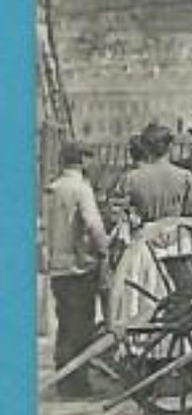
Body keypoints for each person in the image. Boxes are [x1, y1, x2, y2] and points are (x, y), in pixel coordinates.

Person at [44, 141, 110, 398]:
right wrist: (104, 249)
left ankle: (65, 381)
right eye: (90, 159)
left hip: (58, 267)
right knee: (81, 327)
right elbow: (93, 225)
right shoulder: (81, 189)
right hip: (79, 267)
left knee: (65, 325)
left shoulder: (52, 189)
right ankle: (77, 385)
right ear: (82, 161)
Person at [124, 123, 192, 225]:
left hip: (143, 236)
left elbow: (118, 214)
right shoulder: (185, 177)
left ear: (145, 148)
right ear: (170, 147)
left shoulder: (131, 178)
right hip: (175, 236)